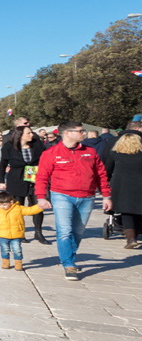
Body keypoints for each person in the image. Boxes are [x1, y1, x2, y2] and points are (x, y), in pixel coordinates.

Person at [35, 121, 112, 281]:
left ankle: (70, 255)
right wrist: (41, 197)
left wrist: (106, 196)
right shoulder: (51, 153)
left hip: (87, 196)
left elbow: (101, 174)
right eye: (80, 131)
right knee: (64, 230)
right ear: (67, 133)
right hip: (61, 195)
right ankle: (68, 264)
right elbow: (42, 176)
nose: (84, 133)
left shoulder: (90, 151)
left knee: (78, 231)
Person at [0, 123, 50, 244]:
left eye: (31, 132)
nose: (32, 135)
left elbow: (45, 159)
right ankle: (20, 233)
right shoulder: (9, 147)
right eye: (28, 133)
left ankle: (38, 232)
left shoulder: (37, 145)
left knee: (38, 206)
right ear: (20, 135)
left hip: (34, 179)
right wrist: (1, 180)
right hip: (16, 179)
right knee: (17, 208)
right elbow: (3, 164)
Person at [102, 120, 142, 249]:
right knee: (139, 211)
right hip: (140, 184)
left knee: (126, 212)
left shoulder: (115, 153)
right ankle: (137, 232)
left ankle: (131, 238)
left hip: (121, 185)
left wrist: (105, 183)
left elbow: (107, 169)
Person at [0, 191, 45, 271]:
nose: (2, 206)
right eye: (0, 204)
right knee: (5, 250)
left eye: (4, 204)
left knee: (17, 250)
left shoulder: (18, 208)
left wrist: (41, 207)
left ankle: (18, 263)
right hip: (2, 235)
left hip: (16, 234)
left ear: (11, 202)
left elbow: (30, 210)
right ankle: (5, 262)